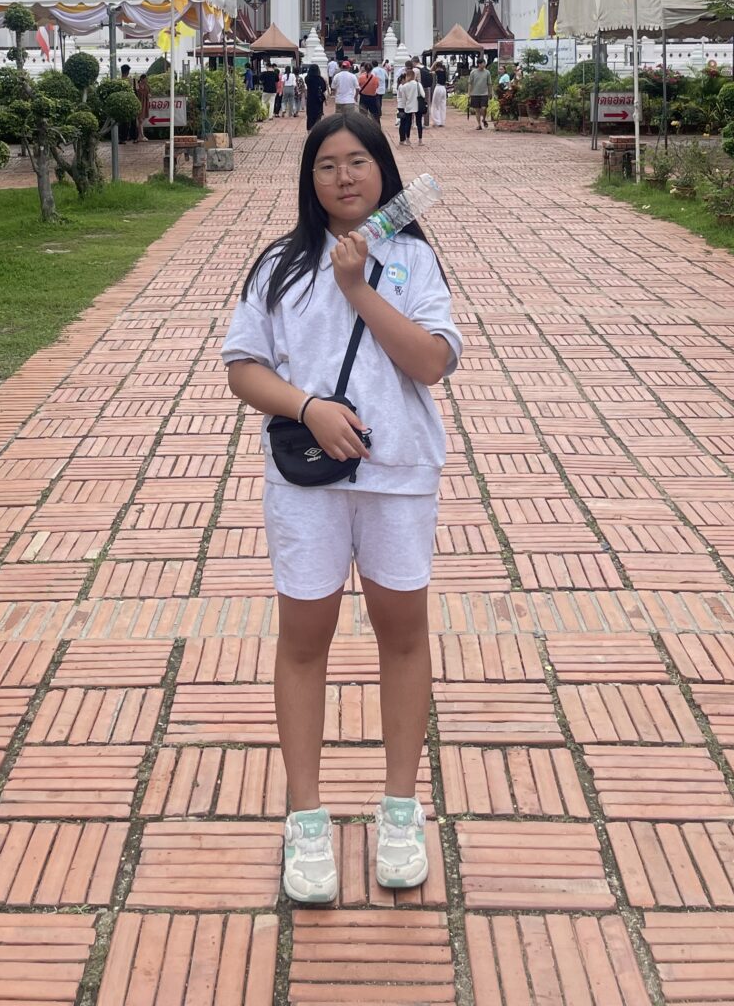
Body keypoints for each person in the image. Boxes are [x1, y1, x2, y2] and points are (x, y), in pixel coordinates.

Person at [223, 110, 460, 905]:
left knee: (402, 636)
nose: (345, 177)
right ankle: (306, 817)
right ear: (309, 180)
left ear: (386, 173)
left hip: (396, 475)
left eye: (359, 162)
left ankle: (400, 809)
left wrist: (359, 287)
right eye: (327, 165)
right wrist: (305, 406)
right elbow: (243, 368)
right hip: (308, 483)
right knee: (304, 640)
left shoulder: (412, 258)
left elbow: (431, 363)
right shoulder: (280, 266)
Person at [396, 64, 424, 145]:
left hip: (408, 105)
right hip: (418, 105)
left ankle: (407, 139)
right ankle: (420, 140)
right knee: (419, 123)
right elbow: (423, 94)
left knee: (408, 123)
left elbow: (403, 98)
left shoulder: (405, 86)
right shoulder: (418, 84)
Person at [467, 59, 491, 128]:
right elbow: (470, 83)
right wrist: (469, 93)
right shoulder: (473, 72)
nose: (484, 64)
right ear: (479, 64)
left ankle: (483, 119)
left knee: (484, 108)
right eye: (483, 63)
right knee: (477, 110)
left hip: (484, 94)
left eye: (484, 63)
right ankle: (479, 124)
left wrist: (490, 92)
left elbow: (489, 83)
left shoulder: (487, 72)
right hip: (475, 94)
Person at [304, 60, 327, 130]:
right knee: (318, 114)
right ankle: (317, 129)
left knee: (310, 115)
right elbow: (324, 88)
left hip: (310, 99)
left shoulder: (307, 78)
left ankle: (309, 129)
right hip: (318, 99)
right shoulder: (320, 79)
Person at [429, 62, 447, 129]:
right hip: (443, 88)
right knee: (442, 105)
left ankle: (437, 121)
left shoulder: (437, 71)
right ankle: (442, 121)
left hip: (438, 87)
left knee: (435, 105)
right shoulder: (444, 71)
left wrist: (433, 63)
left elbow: (430, 71)